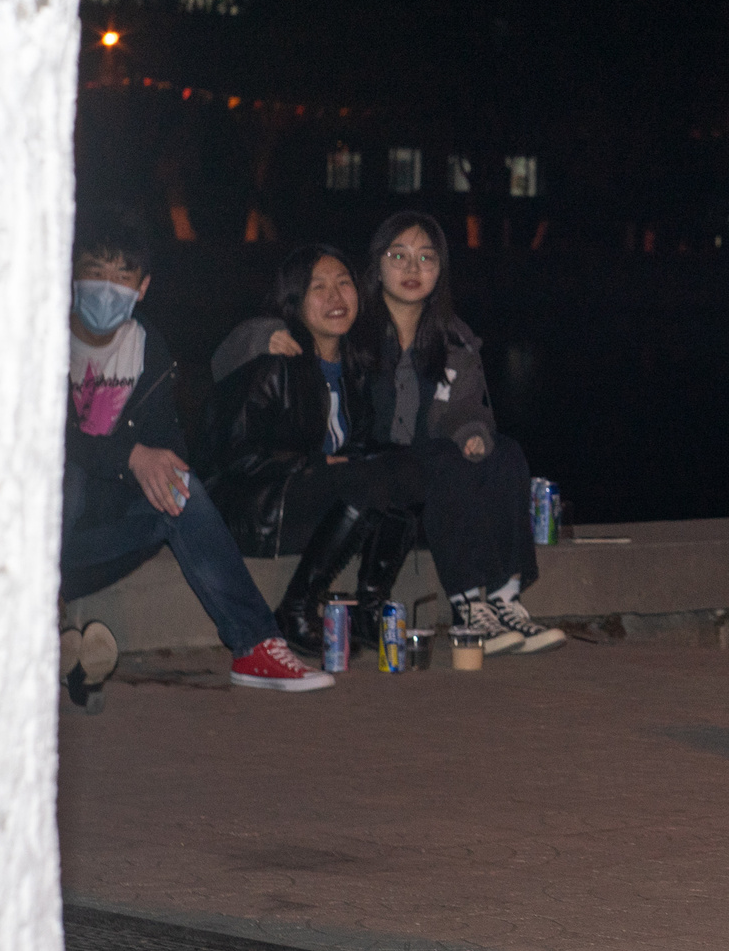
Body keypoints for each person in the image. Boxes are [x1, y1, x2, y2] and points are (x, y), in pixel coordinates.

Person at [59, 208, 330, 692]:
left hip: (101, 536)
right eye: (95, 273)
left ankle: (255, 646)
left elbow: (167, 446)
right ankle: (43, 628)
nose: (107, 288)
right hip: (40, 536)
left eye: (122, 277)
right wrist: (130, 455)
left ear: (142, 288)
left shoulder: (147, 347)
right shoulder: (41, 340)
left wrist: (155, 462)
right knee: (67, 475)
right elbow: (46, 436)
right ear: (71, 276)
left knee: (180, 487)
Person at [205, 244, 446, 657]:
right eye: (319, 287)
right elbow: (236, 457)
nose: (336, 298)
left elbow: (359, 449)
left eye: (344, 284)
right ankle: (297, 605)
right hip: (264, 506)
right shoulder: (273, 364)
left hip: (330, 500)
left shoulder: (353, 371)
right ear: (295, 301)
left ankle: (369, 609)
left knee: (408, 468)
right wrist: (315, 464)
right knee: (363, 478)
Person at [344, 211, 563, 655]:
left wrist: (472, 431)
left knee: (506, 453)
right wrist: (269, 336)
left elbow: (463, 407)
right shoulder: (352, 327)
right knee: (441, 460)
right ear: (377, 265)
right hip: (374, 460)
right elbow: (289, 328)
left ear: (440, 270)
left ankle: (504, 597)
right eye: (398, 255)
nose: (411, 269)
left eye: (426, 258)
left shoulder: (455, 339)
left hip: (431, 461)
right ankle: (467, 603)